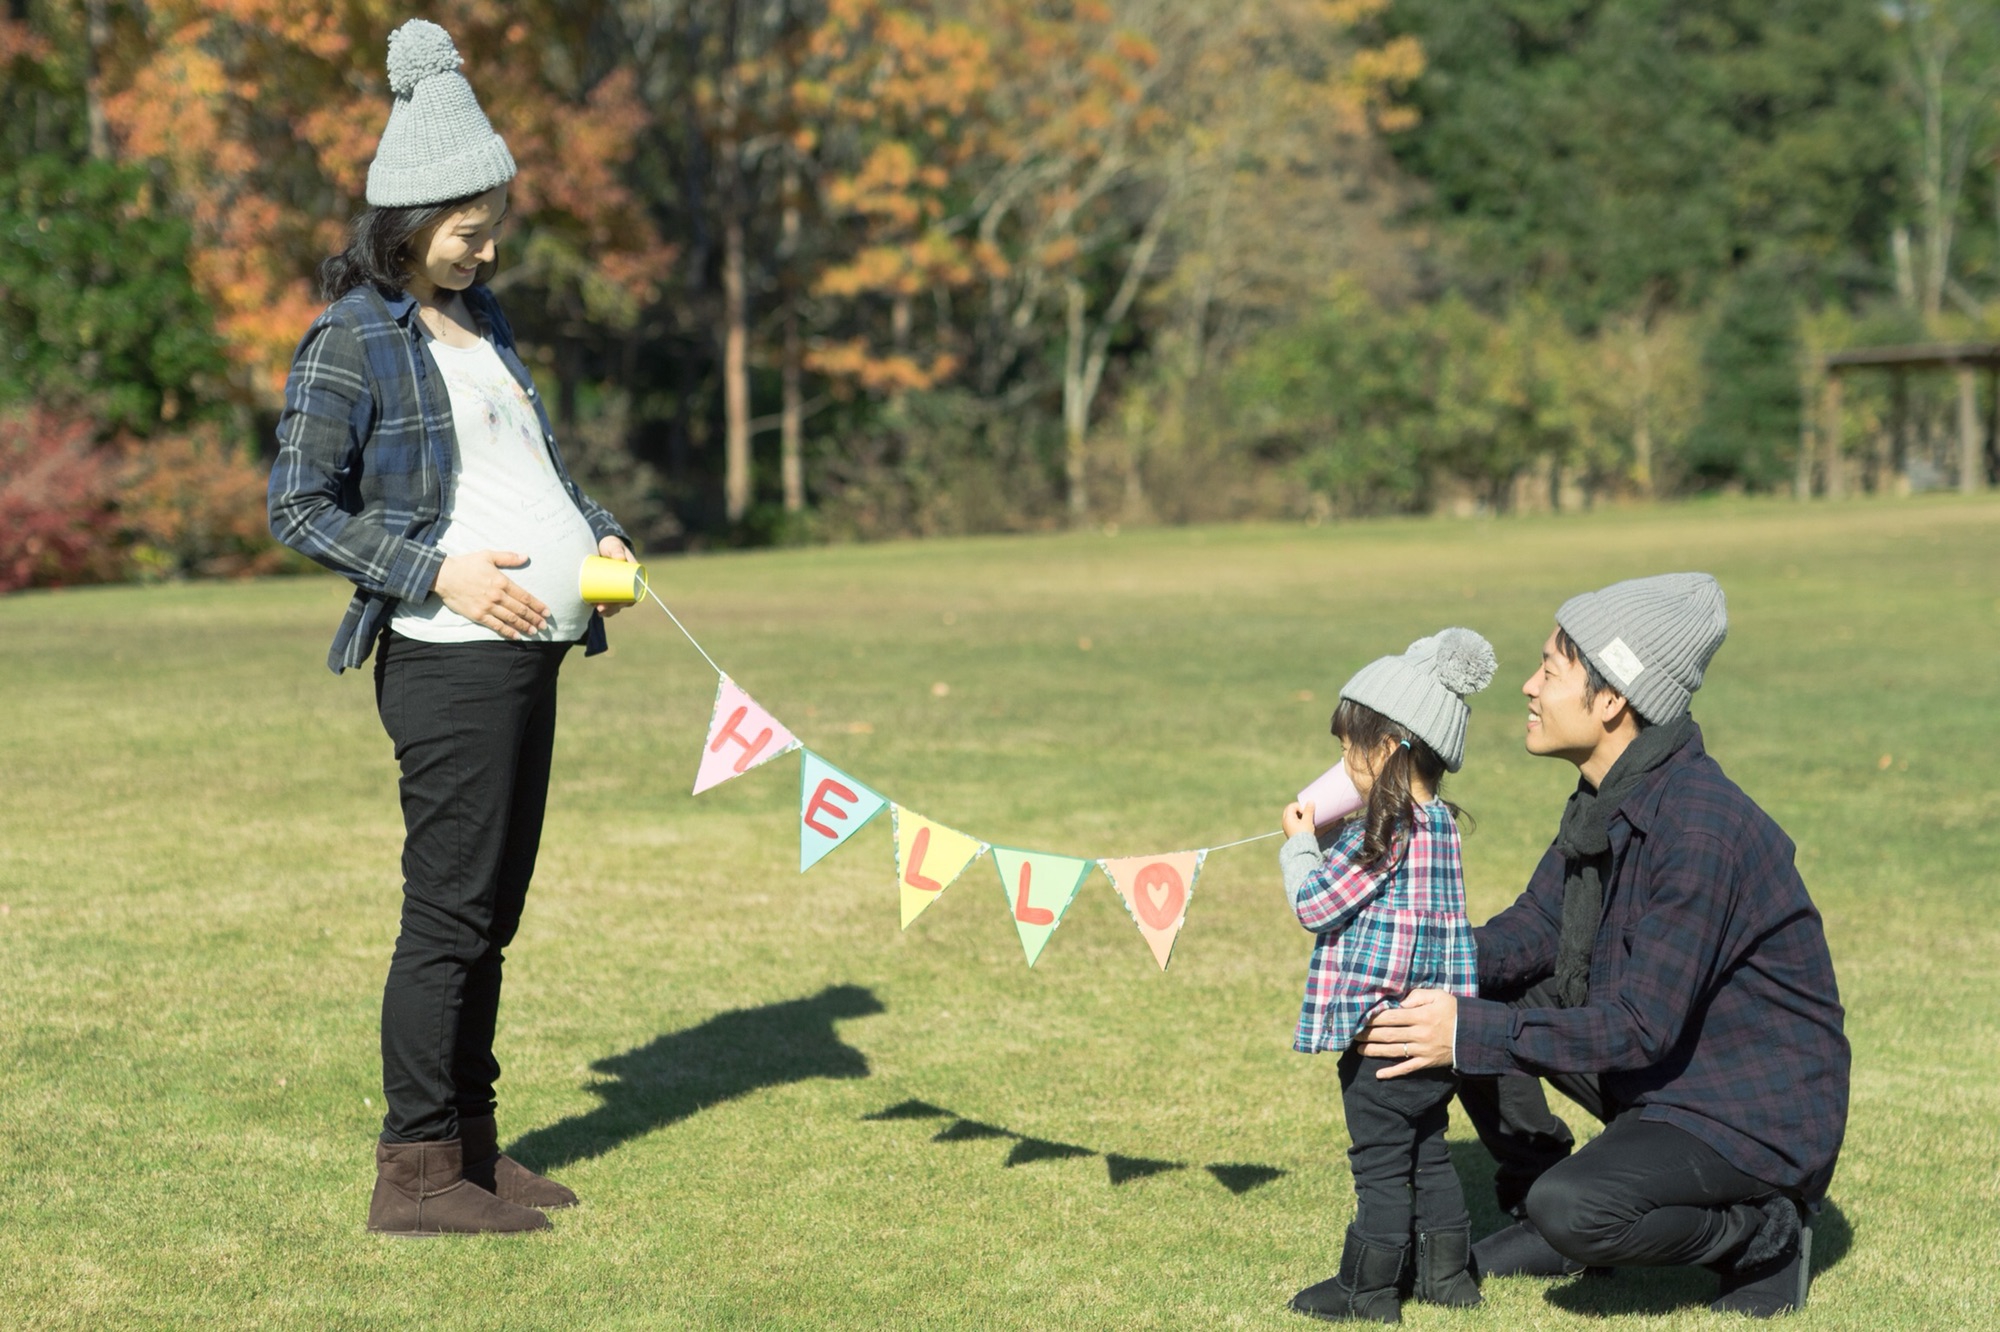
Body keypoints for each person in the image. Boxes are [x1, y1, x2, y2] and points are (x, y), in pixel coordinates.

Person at [268, 19, 639, 1236]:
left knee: (495, 909)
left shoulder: (487, 326)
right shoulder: (352, 340)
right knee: (450, 913)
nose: (488, 243)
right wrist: (437, 575)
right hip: (448, 661)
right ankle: (415, 1173)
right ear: (405, 219)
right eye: (467, 226)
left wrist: (600, 533)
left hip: (526, 653)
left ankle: (472, 1148)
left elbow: (534, 465)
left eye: (493, 222)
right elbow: (297, 506)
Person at [1354, 574, 1850, 1318]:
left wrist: (1465, 1030)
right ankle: (1539, 1203)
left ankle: (1761, 1234)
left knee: (1576, 1202)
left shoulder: (1700, 827)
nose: (1527, 686)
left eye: (1550, 670)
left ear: (1613, 698)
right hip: (1672, 1074)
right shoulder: (1604, 801)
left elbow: (1639, 1025)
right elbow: (1531, 934)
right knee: (1470, 997)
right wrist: (1410, 958)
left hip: (1749, 1111)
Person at [1278, 629, 1497, 1323]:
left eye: (1350, 750)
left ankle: (1366, 1291)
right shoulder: (1440, 825)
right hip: (1433, 1036)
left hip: (1380, 1043)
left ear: (1390, 747)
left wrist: (1299, 848)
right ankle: (1448, 1278)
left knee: (1379, 1166)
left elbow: (1316, 906)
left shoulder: (1386, 828)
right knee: (1428, 1153)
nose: (1345, 765)